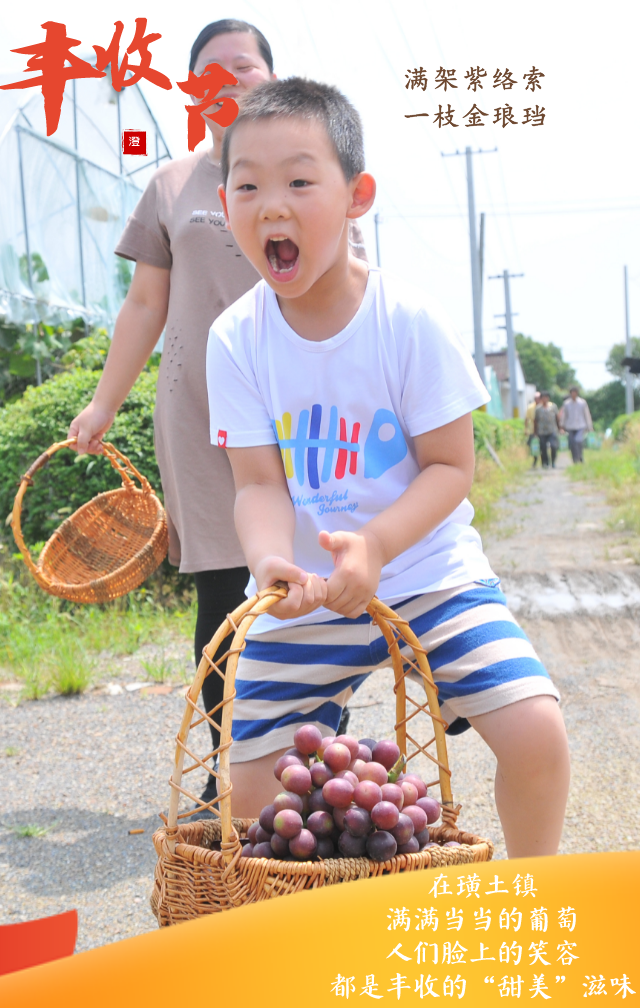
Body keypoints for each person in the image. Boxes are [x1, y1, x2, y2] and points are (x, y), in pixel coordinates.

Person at [206, 78, 569, 858]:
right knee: (247, 795)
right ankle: (315, 923)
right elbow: (259, 482)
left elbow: (449, 467)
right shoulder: (234, 338)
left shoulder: (405, 318)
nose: (273, 205)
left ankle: (534, 899)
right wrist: (271, 562)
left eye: (301, 180)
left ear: (356, 196)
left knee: (536, 729)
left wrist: (374, 546)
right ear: (225, 200)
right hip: (305, 597)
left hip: (428, 575)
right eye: (248, 185)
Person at [67, 22, 364, 813]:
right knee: (224, 598)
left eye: (246, 66)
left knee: (321, 578)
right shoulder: (170, 185)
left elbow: (357, 284)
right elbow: (144, 304)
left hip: (308, 414)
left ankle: (314, 759)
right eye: (211, 70)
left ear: (270, 79)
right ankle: (229, 766)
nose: (228, 79)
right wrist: (102, 404)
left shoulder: (311, 177)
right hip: (202, 417)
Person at [559, 386, 593, 464]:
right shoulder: (566, 403)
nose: (573, 394)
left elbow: (587, 414)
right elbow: (564, 415)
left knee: (578, 441)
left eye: (575, 392)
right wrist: (562, 426)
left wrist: (589, 426)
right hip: (570, 426)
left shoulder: (582, 402)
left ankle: (580, 456)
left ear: (577, 393)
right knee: (572, 443)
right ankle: (575, 458)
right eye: (572, 392)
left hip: (580, 425)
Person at [534, 391, 560, 469]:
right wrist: (535, 432)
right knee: (543, 447)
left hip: (552, 430)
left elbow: (557, 418)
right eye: (543, 397)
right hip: (542, 431)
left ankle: (553, 461)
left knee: (553, 446)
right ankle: (545, 462)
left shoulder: (553, 407)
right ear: (541, 399)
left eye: (546, 397)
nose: (545, 399)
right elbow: (535, 421)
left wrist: (560, 428)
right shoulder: (538, 408)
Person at [524, 391, 541, 468]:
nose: (537, 399)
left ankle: (544, 461)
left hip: (542, 430)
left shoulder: (544, 406)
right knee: (533, 445)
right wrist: (526, 429)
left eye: (538, 398)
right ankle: (535, 461)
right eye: (535, 398)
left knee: (542, 446)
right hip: (533, 430)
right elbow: (527, 419)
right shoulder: (530, 407)